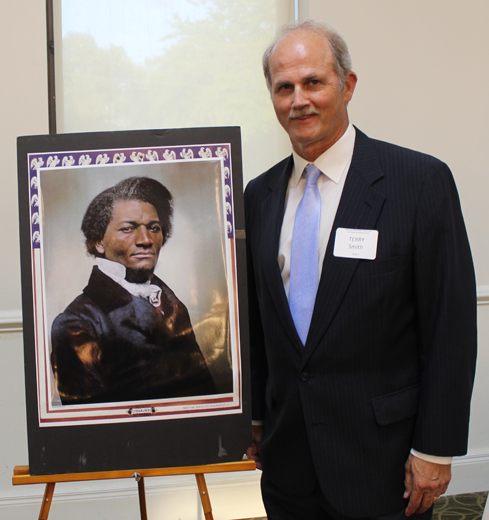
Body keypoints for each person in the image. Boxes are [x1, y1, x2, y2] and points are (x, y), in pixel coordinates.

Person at [244, 19, 477, 520]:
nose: (298, 99)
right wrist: (257, 417)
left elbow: (450, 328)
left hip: (385, 464)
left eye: (313, 82)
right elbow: (258, 326)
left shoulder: (419, 183)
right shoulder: (257, 198)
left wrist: (436, 450)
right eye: (284, 87)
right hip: (287, 464)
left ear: (347, 86)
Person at [51, 176, 216, 405]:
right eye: (128, 229)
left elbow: (206, 397)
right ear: (99, 241)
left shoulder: (173, 306)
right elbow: (91, 425)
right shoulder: (76, 323)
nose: (146, 240)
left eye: (154, 228)